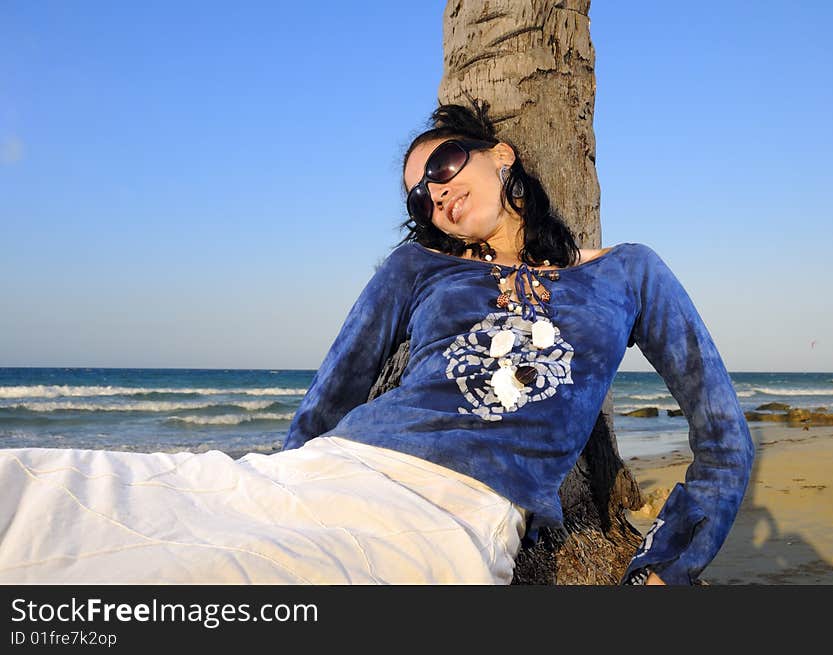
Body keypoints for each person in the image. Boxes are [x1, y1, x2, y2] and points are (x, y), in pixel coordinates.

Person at [0, 99, 753, 586]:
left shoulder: (626, 273)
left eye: (446, 164)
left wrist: (665, 566)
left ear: (502, 155)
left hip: (449, 518)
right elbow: (332, 394)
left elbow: (723, 438)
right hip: (326, 475)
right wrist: (270, 487)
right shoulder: (416, 267)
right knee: (47, 491)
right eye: (420, 193)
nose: (436, 191)